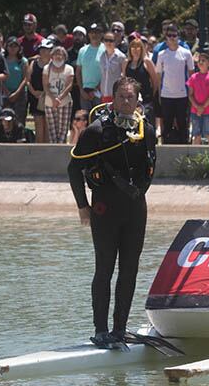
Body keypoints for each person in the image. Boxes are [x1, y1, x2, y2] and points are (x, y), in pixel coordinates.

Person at [67, 77, 157, 349]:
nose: (126, 102)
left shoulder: (147, 130)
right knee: (104, 269)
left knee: (129, 270)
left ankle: (119, 328)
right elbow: (74, 169)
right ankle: (101, 329)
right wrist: (83, 206)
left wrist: (138, 192)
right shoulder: (96, 132)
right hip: (104, 209)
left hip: (135, 209)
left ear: (137, 100)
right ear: (113, 99)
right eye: (121, 97)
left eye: (131, 97)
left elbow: (150, 169)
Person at [157, 25, 194, 144]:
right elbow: (158, 75)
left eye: (174, 35)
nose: (172, 38)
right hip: (166, 94)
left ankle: (184, 147)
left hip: (182, 95)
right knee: (166, 124)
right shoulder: (161, 54)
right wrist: (158, 93)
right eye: (169, 36)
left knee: (182, 123)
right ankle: (166, 146)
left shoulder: (186, 53)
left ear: (178, 36)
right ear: (166, 38)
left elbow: (191, 74)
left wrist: (190, 93)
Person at [187, 50, 209, 145]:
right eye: (199, 61)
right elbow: (190, 94)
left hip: (208, 110)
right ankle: (195, 157)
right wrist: (197, 107)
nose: (201, 63)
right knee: (196, 134)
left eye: (203, 60)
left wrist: (202, 107)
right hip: (195, 110)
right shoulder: (193, 77)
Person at [43, 45, 76, 144]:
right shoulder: (46, 68)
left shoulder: (69, 68)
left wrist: (59, 98)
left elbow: (69, 86)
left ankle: (61, 148)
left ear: (65, 56)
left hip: (65, 102)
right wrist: (53, 99)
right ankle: (54, 149)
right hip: (49, 102)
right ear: (52, 56)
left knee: (63, 129)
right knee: (52, 129)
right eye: (56, 54)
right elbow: (45, 86)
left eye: (61, 54)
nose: (58, 56)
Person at [123, 34, 157, 124]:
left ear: (142, 49)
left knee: (146, 124)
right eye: (133, 47)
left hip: (146, 100)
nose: (135, 50)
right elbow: (124, 80)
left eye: (138, 47)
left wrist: (152, 96)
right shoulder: (126, 63)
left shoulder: (147, 62)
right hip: (131, 100)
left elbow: (155, 81)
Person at [27, 39, 52, 144]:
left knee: (48, 127)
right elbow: (27, 80)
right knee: (38, 125)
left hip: (49, 97)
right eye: (41, 49)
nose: (43, 52)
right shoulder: (33, 63)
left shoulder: (54, 65)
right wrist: (33, 92)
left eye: (46, 49)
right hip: (36, 98)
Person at [2, 37, 30, 125]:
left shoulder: (23, 61)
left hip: (20, 93)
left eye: (15, 46)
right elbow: (0, 77)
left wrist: (16, 93)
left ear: (19, 48)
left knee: (19, 119)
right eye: (10, 46)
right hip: (5, 92)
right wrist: (6, 91)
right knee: (5, 118)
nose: (13, 48)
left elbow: (26, 78)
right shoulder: (2, 59)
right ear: (6, 47)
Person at [97, 31, 127, 104]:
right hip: (104, 95)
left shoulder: (121, 57)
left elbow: (124, 76)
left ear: (115, 42)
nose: (108, 43)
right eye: (106, 40)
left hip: (116, 95)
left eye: (111, 40)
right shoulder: (102, 56)